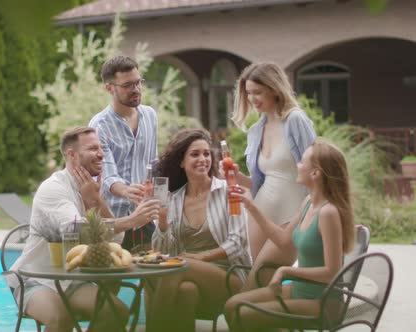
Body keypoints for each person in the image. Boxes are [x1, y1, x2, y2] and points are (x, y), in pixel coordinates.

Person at [8, 127, 160, 332]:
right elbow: (76, 230)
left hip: (71, 281)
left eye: (101, 148)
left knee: (115, 311)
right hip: (35, 279)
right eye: (93, 148)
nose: (101, 153)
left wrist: (95, 200)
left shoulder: (90, 187)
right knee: (60, 317)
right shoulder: (53, 188)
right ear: (72, 155)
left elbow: (115, 240)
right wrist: (132, 220)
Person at [224, 139, 356, 331]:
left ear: (315, 173)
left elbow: (331, 273)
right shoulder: (308, 203)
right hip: (299, 290)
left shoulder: (328, 213)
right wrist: (251, 207)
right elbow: (283, 240)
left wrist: (286, 271)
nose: (297, 165)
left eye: (302, 162)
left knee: (243, 314)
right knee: (232, 306)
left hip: (323, 302)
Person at [146, 129, 251, 332]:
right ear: (181, 162)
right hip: (186, 275)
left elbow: (239, 242)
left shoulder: (229, 191)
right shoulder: (174, 200)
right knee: (187, 291)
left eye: (206, 154)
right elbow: (161, 249)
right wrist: (163, 223)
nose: (202, 159)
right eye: (195, 154)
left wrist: (200, 258)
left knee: (175, 267)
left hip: (229, 276)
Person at [226, 61, 316, 289]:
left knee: (255, 281)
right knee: (260, 280)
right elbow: (260, 182)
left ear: (274, 89)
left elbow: (319, 169)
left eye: (258, 92)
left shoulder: (295, 120)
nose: (252, 98)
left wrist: (312, 211)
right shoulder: (256, 130)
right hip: (260, 213)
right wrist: (237, 177)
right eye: (248, 93)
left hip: (293, 216)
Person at [89, 55, 158, 252]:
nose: (135, 89)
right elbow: (107, 176)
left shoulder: (150, 116)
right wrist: (127, 191)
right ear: (110, 88)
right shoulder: (99, 126)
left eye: (138, 82)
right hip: (112, 219)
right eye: (128, 85)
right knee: (110, 281)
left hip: (143, 214)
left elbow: (153, 163)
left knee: (153, 276)